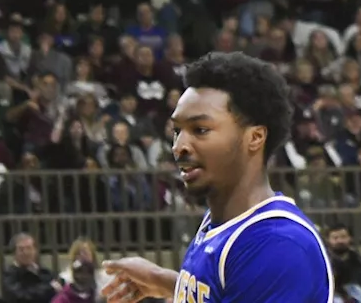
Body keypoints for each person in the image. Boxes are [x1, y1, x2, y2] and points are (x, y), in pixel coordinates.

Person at [101, 52, 332, 302]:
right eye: (178, 130)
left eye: (200, 130)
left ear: (254, 138)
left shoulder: (277, 245)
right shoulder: (224, 220)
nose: (179, 146)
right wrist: (162, 279)